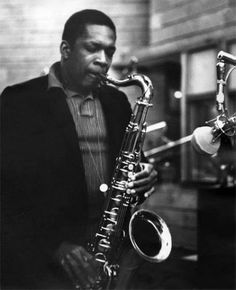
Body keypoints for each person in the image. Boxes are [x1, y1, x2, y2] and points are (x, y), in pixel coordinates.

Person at [1, 9, 157, 289]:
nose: (103, 61)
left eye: (109, 52)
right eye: (93, 48)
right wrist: (54, 246)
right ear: (66, 49)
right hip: (42, 266)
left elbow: (133, 165)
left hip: (111, 254)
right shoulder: (18, 101)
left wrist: (145, 176)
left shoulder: (117, 101)